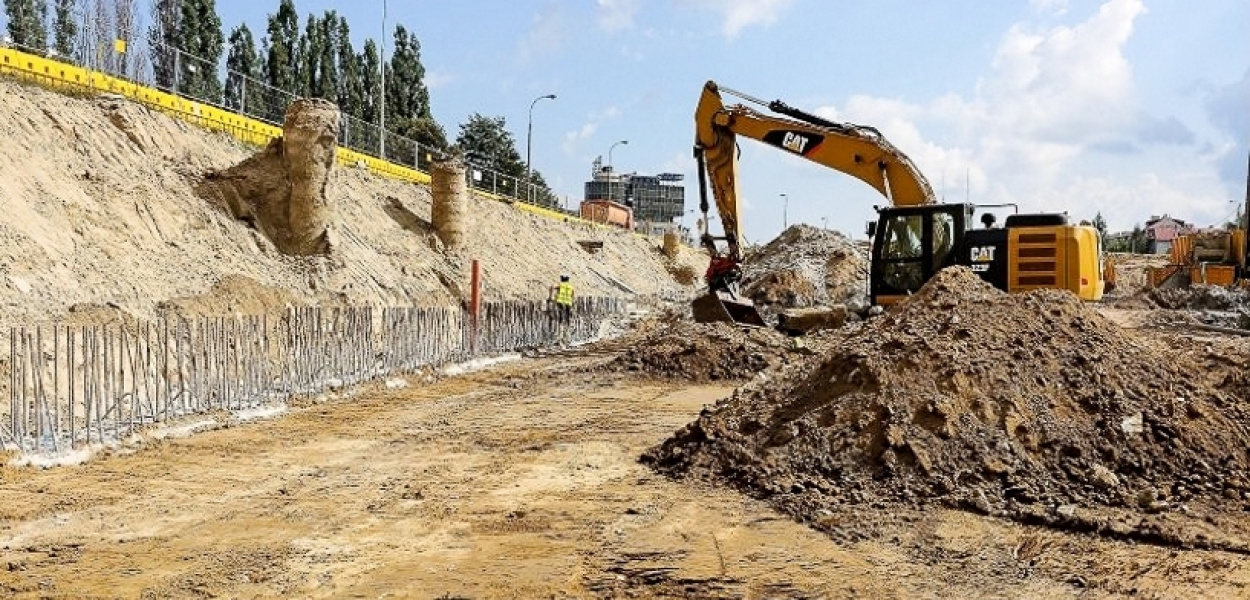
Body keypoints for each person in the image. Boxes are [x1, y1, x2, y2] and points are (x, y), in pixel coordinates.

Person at [551, 275, 575, 345]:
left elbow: (552, 287)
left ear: (561, 279)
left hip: (560, 302)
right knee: (567, 319)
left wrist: (551, 296)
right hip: (568, 303)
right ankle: (567, 335)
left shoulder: (560, 285)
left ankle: (560, 335)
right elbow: (573, 295)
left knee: (560, 318)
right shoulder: (571, 286)